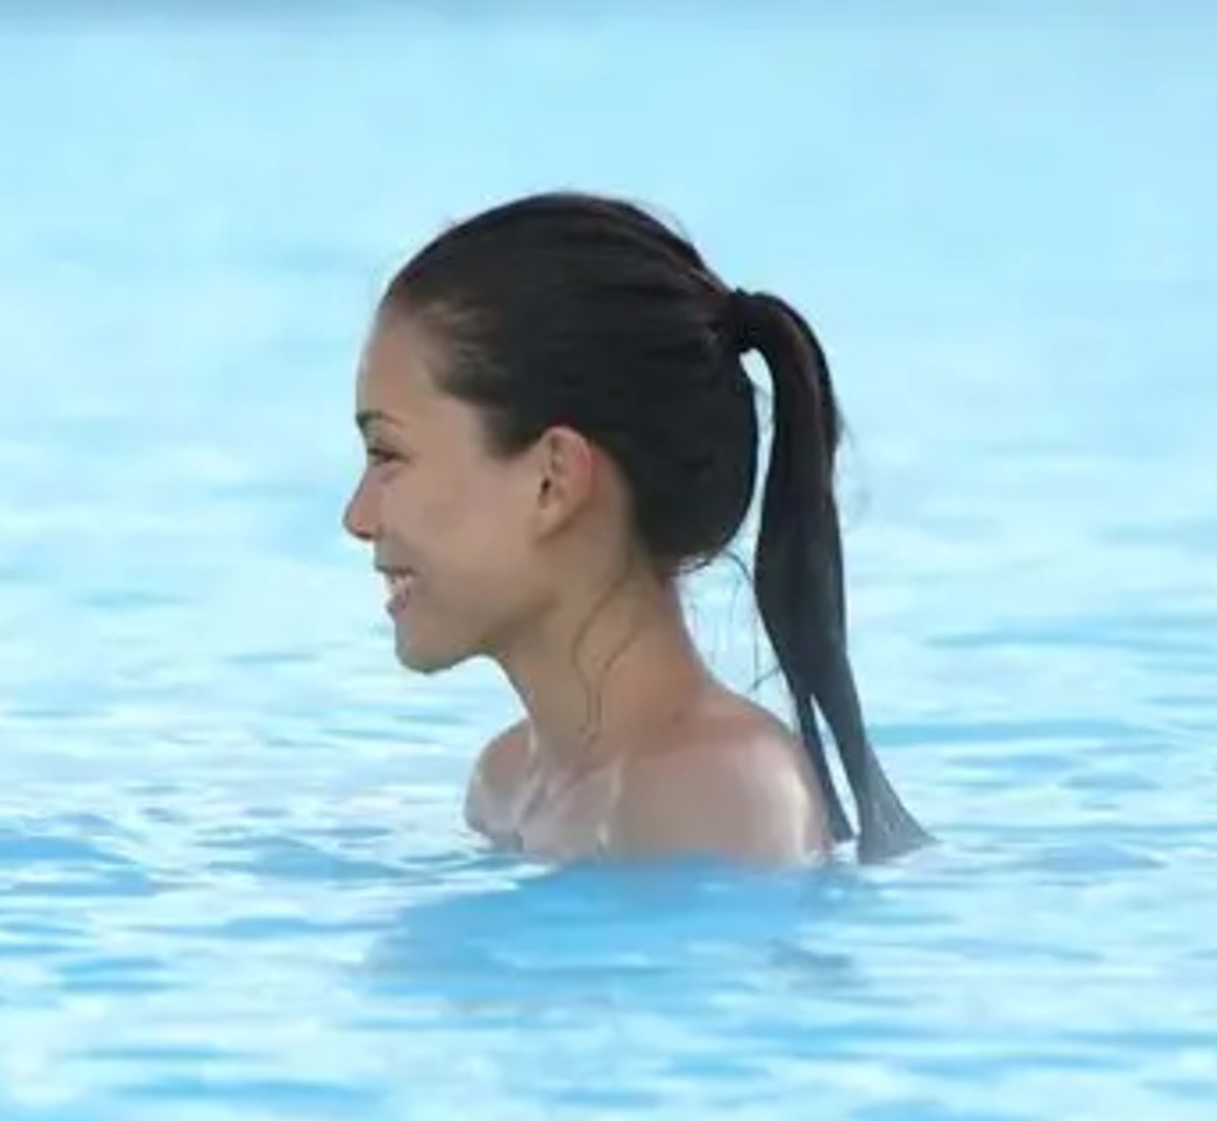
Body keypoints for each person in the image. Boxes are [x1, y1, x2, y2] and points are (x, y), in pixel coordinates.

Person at [345, 191, 927, 869]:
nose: (358, 518)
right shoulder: (505, 789)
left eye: (387, 455)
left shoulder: (720, 799)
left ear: (552, 481)